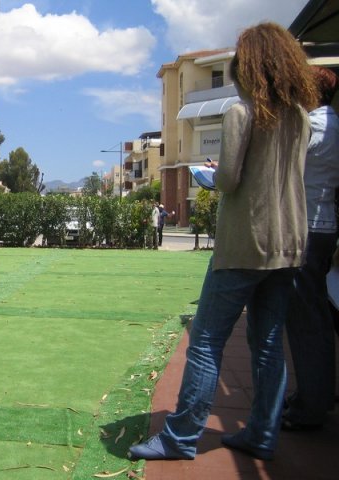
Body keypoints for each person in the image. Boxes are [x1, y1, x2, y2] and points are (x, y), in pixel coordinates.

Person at [129, 22, 317, 461]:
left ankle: (180, 437)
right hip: (289, 242)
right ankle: (262, 434)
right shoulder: (301, 115)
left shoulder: (242, 112)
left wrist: (211, 175)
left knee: (208, 341)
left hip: (244, 242)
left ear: (248, 65)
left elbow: (231, 179)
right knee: (268, 343)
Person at [283, 66, 339, 430]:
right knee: (316, 315)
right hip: (324, 227)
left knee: (305, 321)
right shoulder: (333, 123)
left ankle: (311, 407)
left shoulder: (313, 126)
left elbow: (282, 168)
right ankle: (314, 394)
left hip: (305, 228)